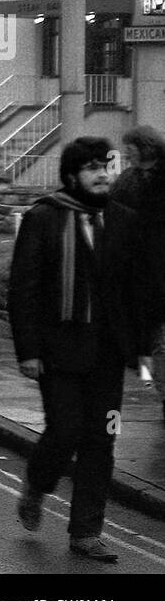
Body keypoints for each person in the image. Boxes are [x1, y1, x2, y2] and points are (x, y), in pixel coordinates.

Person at [9, 137, 154, 563]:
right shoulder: (44, 217)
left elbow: (138, 288)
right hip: (57, 354)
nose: (103, 175)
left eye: (107, 166)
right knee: (65, 430)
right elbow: (24, 289)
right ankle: (37, 485)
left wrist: (142, 346)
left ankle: (86, 532)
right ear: (72, 175)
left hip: (108, 355)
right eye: (92, 168)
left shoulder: (124, 219)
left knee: (102, 439)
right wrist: (28, 350)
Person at [109, 125, 165, 421]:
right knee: (149, 341)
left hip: (157, 266)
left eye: (130, 145)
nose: (126, 150)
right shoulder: (127, 178)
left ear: (146, 146)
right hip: (137, 269)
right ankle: (154, 385)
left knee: (157, 341)